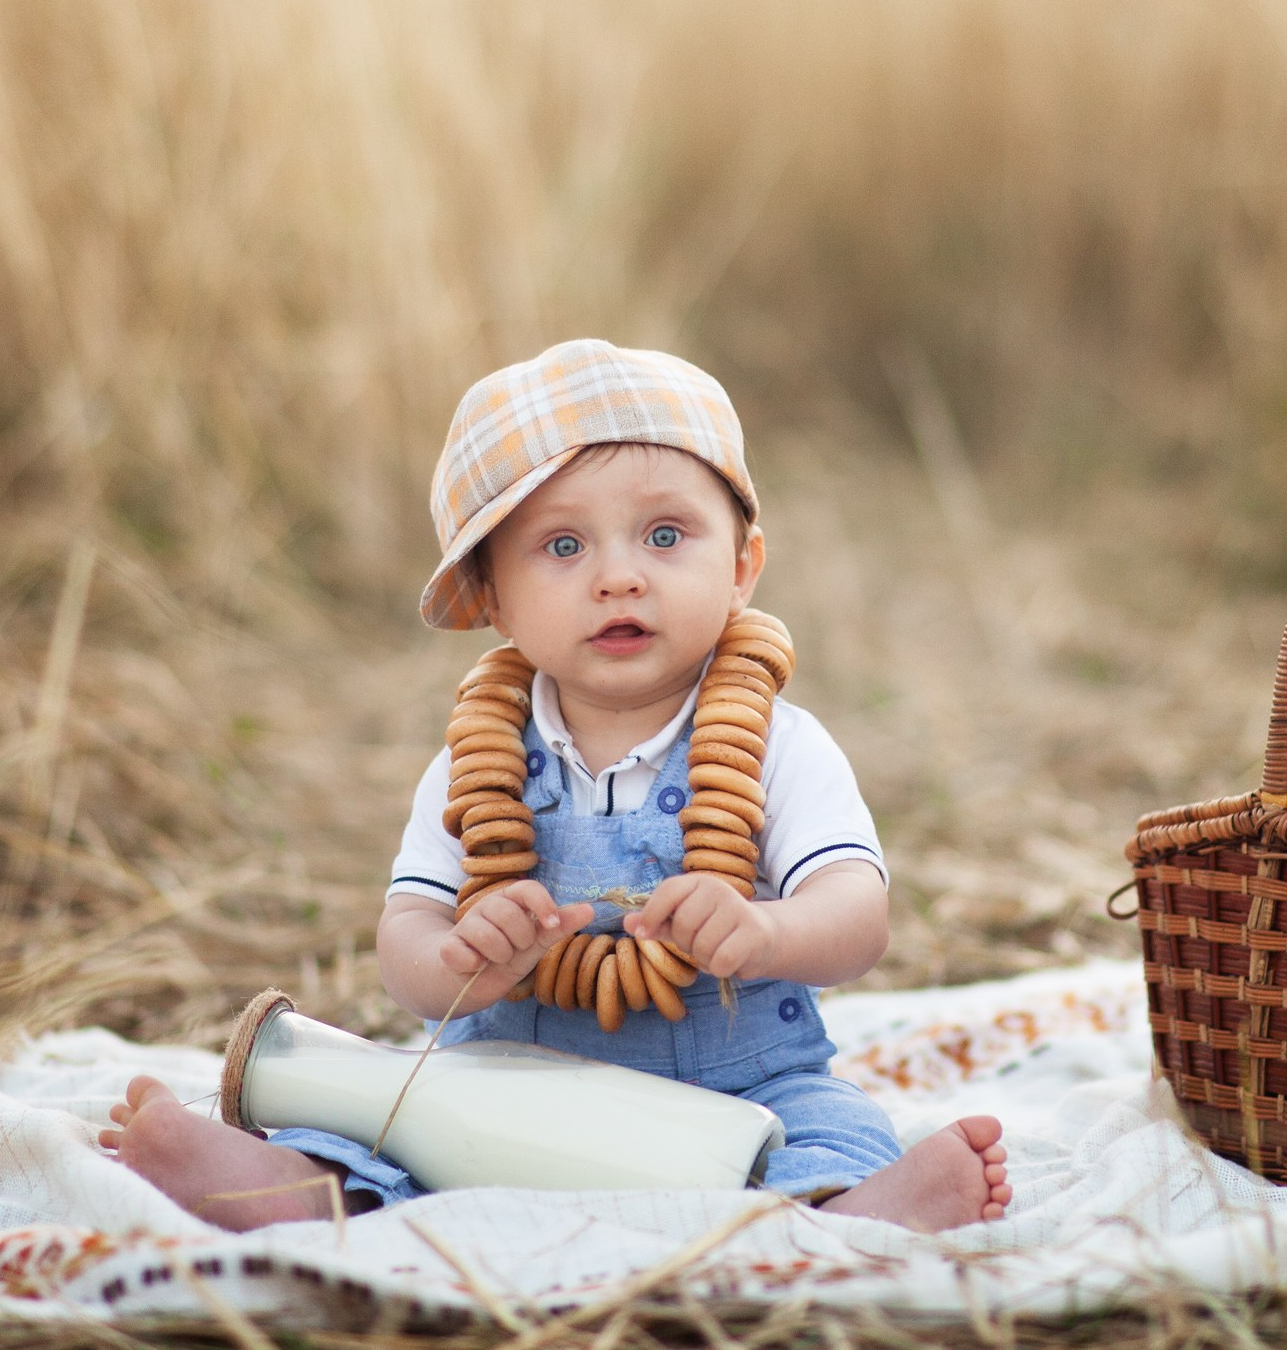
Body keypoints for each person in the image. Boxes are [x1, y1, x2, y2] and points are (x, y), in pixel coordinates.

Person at [102, 340, 1011, 1232]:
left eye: (665, 534)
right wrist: (460, 956)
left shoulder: (779, 743)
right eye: (563, 544)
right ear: (490, 595)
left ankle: (850, 1210)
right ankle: (290, 1187)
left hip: (740, 1081)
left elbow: (859, 912)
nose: (619, 574)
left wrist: (768, 929)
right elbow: (405, 940)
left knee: (832, 1126)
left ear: (741, 566)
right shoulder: (476, 761)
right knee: (385, 1121)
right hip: (507, 1085)